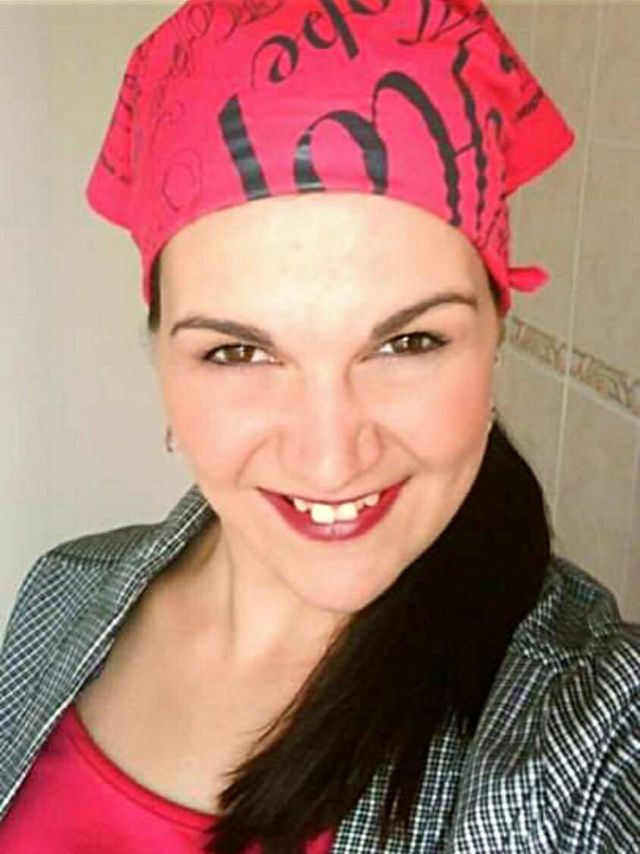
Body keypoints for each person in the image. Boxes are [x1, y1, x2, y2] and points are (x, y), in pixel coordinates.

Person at [0, 1, 638, 852]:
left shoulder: (588, 729)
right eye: (239, 353)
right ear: (161, 358)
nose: (331, 457)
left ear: (495, 332)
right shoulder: (61, 590)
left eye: (408, 343)